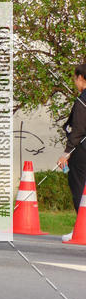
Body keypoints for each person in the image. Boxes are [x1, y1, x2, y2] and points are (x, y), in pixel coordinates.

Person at [57, 63, 86, 242]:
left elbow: (78, 130)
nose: (75, 82)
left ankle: (81, 229)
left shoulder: (82, 101)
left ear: (81, 78)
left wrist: (66, 153)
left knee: (79, 187)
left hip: (82, 151)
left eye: (75, 79)